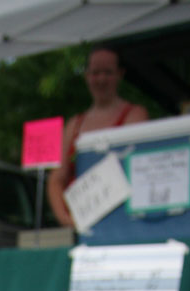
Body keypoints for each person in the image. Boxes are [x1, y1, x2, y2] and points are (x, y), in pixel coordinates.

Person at [47, 46, 149, 229]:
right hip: (82, 224)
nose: (101, 79)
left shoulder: (135, 115)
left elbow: (138, 168)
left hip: (123, 222)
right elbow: (56, 178)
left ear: (120, 74)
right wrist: (65, 218)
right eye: (95, 73)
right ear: (87, 76)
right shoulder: (73, 125)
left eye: (108, 73)